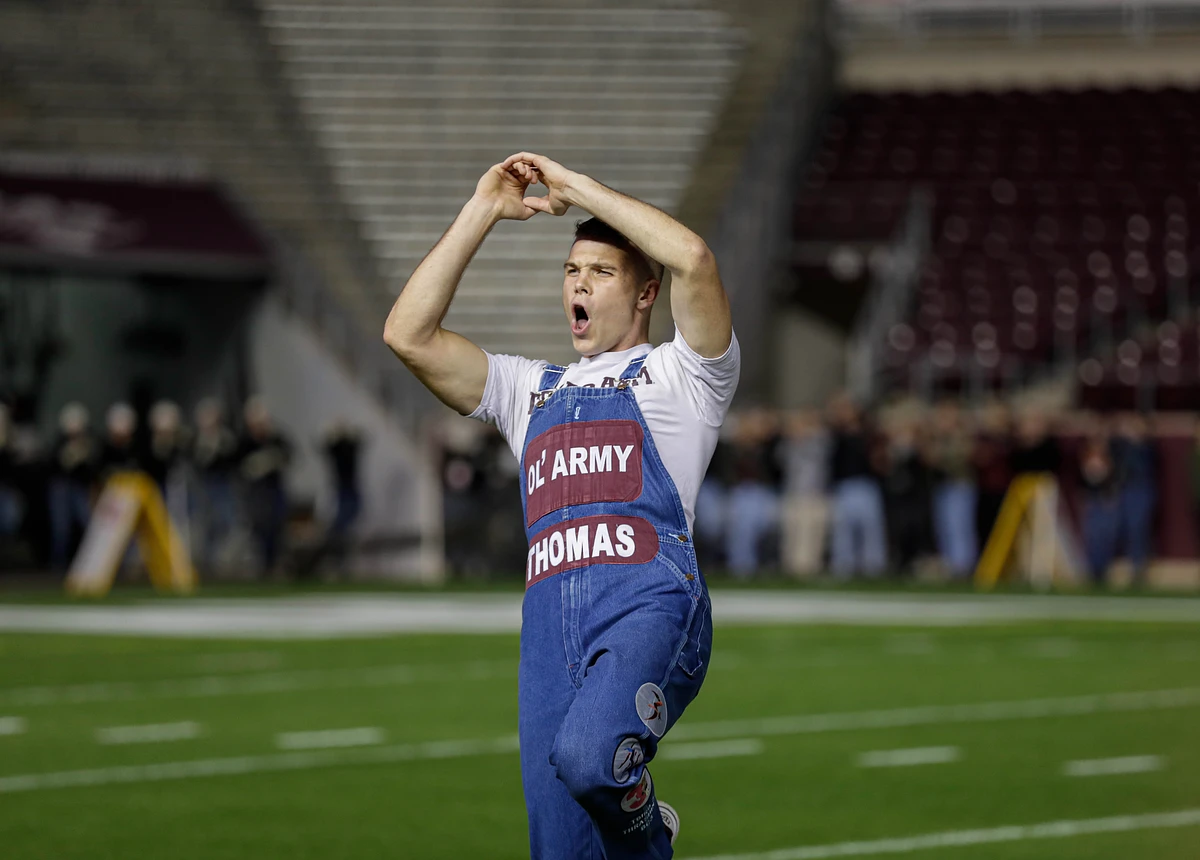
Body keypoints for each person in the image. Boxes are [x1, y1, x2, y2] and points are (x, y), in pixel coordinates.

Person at [384, 152, 738, 858]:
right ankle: (635, 823)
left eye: (600, 273)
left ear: (645, 295)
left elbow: (695, 259)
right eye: (572, 272)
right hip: (548, 632)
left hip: (649, 603)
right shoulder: (528, 389)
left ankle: (646, 836)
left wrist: (575, 189)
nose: (578, 284)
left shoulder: (683, 375)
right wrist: (483, 207)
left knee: (588, 758)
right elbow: (408, 336)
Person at [826, 395, 887, 577]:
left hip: (866, 485)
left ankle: (873, 566)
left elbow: (879, 462)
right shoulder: (835, 435)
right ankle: (843, 566)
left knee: (870, 528)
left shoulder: (869, 434)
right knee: (843, 530)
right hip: (844, 486)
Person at [237, 397, 291, 575]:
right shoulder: (246, 442)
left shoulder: (276, 439)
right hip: (256, 492)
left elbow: (290, 455)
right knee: (260, 527)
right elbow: (239, 465)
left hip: (274, 489)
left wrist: (272, 459)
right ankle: (264, 564)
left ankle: (275, 563)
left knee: (277, 526)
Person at [779, 410, 830, 577]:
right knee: (793, 532)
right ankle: (791, 567)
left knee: (812, 533)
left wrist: (810, 432)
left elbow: (825, 444)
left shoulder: (819, 443)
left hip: (815, 494)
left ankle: (810, 568)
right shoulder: (788, 446)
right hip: (794, 494)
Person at [191, 398, 240, 572]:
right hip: (205, 486)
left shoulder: (226, 438)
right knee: (205, 524)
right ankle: (206, 561)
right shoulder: (198, 440)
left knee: (225, 522)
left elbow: (233, 460)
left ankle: (223, 560)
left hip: (223, 486)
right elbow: (198, 463)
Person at [48, 402, 98, 569]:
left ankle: (89, 562)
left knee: (87, 522)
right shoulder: (58, 443)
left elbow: (91, 471)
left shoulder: (88, 443)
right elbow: (53, 467)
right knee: (61, 528)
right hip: (61, 488)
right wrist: (66, 458)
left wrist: (82, 460)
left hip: (79, 487)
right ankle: (58, 563)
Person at [1111, 412, 1156, 584]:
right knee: (1123, 530)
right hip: (1126, 490)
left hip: (1141, 490)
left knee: (1138, 530)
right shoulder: (1122, 446)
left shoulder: (1147, 447)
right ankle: (1117, 569)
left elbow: (1141, 466)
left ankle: (1138, 569)